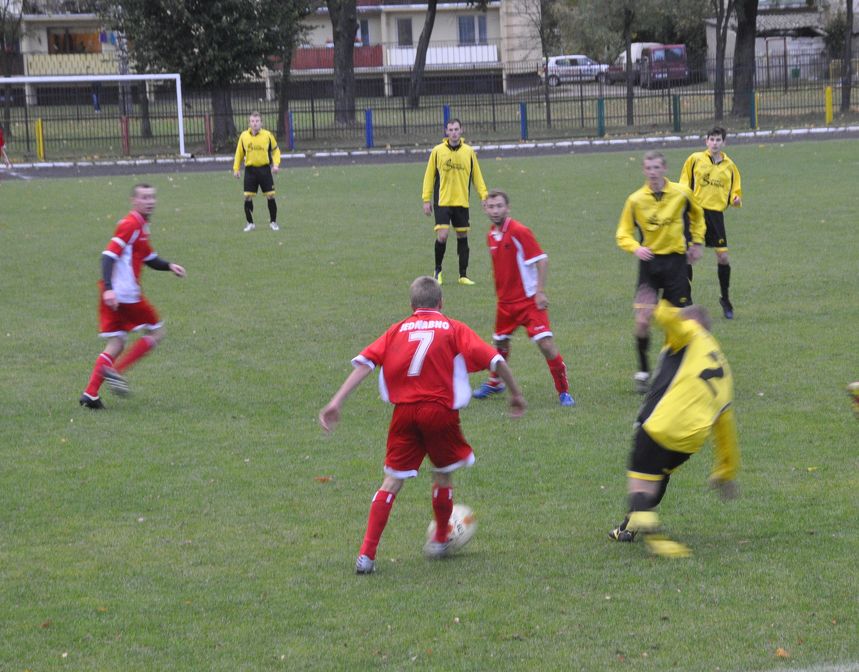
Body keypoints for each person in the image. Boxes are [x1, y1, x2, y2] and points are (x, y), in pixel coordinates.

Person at [319, 276, 526, 574]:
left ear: (412, 306)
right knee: (442, 475)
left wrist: (336, 402)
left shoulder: (397, 329)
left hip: (404, 413)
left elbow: (364, 363)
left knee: (391, 481)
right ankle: (440, 540)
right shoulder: (453, 327)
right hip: (439, 412)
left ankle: (366, 555)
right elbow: (494, 360)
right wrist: (516, 394)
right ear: (441, 304)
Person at [608, 285, 740, 558]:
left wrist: (654, 309)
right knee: (658, 474)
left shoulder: (690, 333)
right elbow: (726, 427)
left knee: (639, 481)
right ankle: (628, 527)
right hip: (691, 440)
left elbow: (674, 323)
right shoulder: (723, 368)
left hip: (662, 425)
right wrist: (725, 471)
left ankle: (654, 537)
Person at [79, 184, 186, 409]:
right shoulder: (130, 224)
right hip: (125, 294)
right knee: (157, 332)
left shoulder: (140, 227)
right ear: (134, 201)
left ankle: (90, 394)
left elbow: (149, 258)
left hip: (112, 295)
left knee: (116, 343)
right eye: (144, 197)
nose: (150, 201)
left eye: (152, 197)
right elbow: (107, 256)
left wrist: (169, 266)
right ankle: (116, 372)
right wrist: (110, 288)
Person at [472, 190, 575, 407]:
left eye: (499, 206)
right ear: (485, 209)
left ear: (507, 208)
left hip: (529, 302)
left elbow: (542, 260)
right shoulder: (491, 234)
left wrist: (540, 291)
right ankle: (495, 382)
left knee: (546, 344)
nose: (495, 210)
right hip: (505, 303)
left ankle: (564, 392)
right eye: (491, 207)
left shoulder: (519, 231)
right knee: (500, 342)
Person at [616, 150, 705, 394]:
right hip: (650, 265)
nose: (653, 172)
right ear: (644, 170)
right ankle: (643, 371)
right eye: (648, 168)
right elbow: (622, 233)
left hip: (676, 264)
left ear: (664, 168)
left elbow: (698, 216)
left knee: (681, 320)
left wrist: (697, 243)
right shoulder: (635, 200)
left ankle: (684, 369)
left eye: (656, 167)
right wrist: (635, 248)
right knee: (643, 320)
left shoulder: (681, 193)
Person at [679, 126, 743, 319]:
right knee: (688, 256)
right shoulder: (694, 160)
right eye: (712, 139)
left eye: (718, 140)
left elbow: (735, 190)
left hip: (716, 216)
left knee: (723, 257)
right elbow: (683, 184)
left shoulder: (730, 166)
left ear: (724, 143)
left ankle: (725, 299)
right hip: (694, 213)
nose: (715, 143)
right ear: (706, 141)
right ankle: (686, 300)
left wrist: (735, 199)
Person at [421, 118, 488, 286]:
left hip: (461, 201)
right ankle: (437, 271)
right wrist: (426, 199)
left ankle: (463, 275)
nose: (454, 132)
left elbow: (476, 176)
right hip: (442, 201)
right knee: (442, 235)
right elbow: (429, 176)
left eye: (456, 129)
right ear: (446, 132)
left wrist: (484, 196)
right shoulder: (437, 151)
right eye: (450, 130)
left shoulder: (469, 152)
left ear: (461, 130)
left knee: (462, 235)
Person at [233, 111, 281, 232]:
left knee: (270, 195)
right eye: (252, 121)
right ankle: (250, 223)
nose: (255, 124)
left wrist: (276, 164)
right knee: (247, 196)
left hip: (264, 170)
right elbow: (239, 153)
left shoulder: (268, 135)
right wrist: (236, 168)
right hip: (250, 171)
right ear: (249, 123)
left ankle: (273, 222)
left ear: (261, 123)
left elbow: (276, 151)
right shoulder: (244, 136)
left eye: (257, 121)